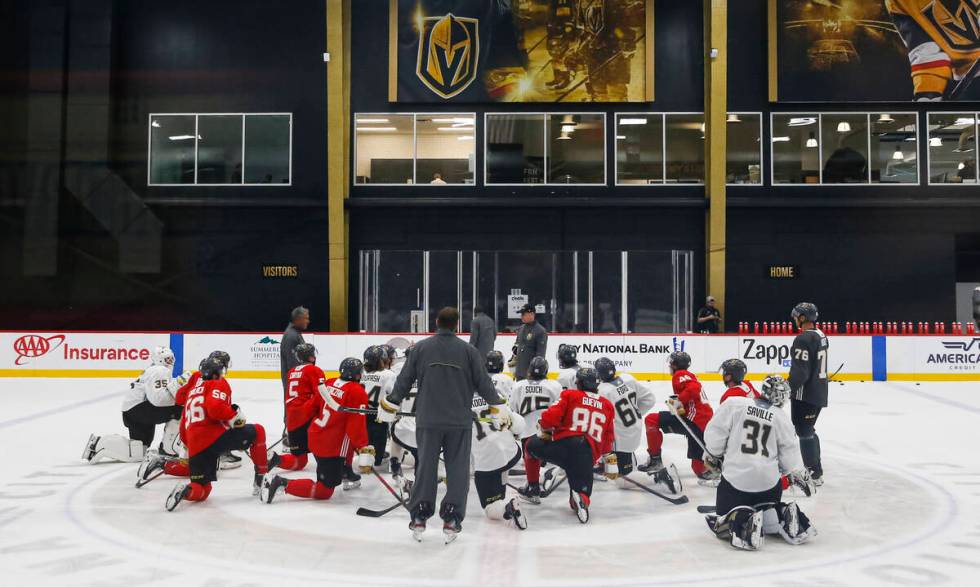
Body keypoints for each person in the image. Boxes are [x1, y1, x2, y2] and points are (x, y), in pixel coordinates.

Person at [377, 307, 508, 543]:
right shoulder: (469, 352)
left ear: (437, 322)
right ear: (457, 325)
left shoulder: (421, 349)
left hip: (428, 420)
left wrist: (391, 403)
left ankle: (419, 515)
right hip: (459, 421)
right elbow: (484, 384)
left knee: (425, 467)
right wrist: (499, 406)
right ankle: (452, 518)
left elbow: (404, 380)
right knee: (458, 471)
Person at [703, 375, 817, 550]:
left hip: (736, 484)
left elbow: (714, 436)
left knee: (722, 519)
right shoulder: (782, 418)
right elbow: (790, 460)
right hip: (770, 487)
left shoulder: (734, 404)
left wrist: (714, 455)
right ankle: (782, 513)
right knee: (767, 508)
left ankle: (741, 518)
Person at [261, 358, 376, 504]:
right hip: (331, 446)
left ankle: (345, 472)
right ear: (358, 375)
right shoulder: (357, 392)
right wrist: (363, 447)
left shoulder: (329, 383)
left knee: (344, 444)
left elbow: (311, 407)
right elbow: (356, 425)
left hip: (315, 436)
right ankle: (280, 483)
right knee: (324, 491)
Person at [163, 357, 269, 511]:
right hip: (214, 438)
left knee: (202, 490)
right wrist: (233, 415)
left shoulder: (192, 392)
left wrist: (188, 448)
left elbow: (184, 422)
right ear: (215, 373)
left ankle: (186, 491)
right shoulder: (218, 383)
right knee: (258, 431)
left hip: (194, 444)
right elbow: (215, 408)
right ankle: (262, 479)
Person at [526, 367, 615, 524]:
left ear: (579, 383)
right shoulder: (607, 405)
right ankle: (580, 499)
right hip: (587, 455)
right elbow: (608, 440)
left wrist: (544, 426)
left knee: (529, 446)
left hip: (564, 447)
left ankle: (532, 487)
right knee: (582, 495)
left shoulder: (570, 394)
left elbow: (549, 419)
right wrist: (604, 461)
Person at [82, 346, 189, 464]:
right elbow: (158, 400)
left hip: (132, 412)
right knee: (182, 409)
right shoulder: (159, 370)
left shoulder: (153, 370)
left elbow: (158, 397)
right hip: (138, 411)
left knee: (137, 451)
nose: (170, 362)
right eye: (166, 359)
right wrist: (178, 387)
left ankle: (99, 443)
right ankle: (168, 449)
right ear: (158, 359)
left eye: (171, 358)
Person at [640, 351, 715, 485]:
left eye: (671, 363)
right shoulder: (689, 375)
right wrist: (679, 406)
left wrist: (678, 401)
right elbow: (691, 399)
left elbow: (694, 389)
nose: (670, 365)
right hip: (701, 421)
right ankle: (717, 469)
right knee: (698, 469)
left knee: (651, 420)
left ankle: (655, 459)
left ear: (675, 365)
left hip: (695, 422)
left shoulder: (680, 374)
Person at [593, 357, 666, 491]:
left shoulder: (603, 391)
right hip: (634, 430)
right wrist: (636, 414)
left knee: (619, 480)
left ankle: (658, 477)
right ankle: (616, 462)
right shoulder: (628, 379)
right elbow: (650, 399)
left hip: (621, 441)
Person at [471, 377, 528, 530]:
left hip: (486, 460)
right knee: (501, 467)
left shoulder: (459, 402)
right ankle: (502, 496)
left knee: (490, 509)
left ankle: (508, 507)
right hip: (510, 451)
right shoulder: (495, 397)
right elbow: (518, 425)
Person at [509, 356, 562, 503]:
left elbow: (512, 409)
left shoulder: (518, 385)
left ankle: (533, 485)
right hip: (547, 430)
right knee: (543, 457)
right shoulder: (554, 385)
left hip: (525, 430)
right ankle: (548, 472)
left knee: (530, 457)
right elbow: (560, 409)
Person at [788, 302, 829, 485]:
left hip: (805, 395)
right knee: (809, 430)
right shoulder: (821, 335)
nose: (795, 319)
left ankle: (814, 474)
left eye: (797, 316)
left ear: (803, 318)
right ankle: (816, 470)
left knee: (804, 431)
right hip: (819, 392)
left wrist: (788, 388)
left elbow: (801, 373)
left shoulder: (802, 339)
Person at [269, 343, 323, 472]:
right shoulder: (314, 370)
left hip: (292, 419)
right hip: (307, 416)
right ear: (311, 357)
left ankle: (275, 459)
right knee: (324, 450)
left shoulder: (291, 372)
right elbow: (321, 395)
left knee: (299, 462)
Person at [360, 345, 396, 467]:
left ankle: (367, 454)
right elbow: (393, 394)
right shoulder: (388, 374)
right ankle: (371, 458)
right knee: (377, 460)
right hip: (379, 416)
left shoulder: (362, 375)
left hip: (363, 414)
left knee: (366, 438)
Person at [511, 303, 548, 380]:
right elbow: (517, 346)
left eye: (523, 314)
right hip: (519, 372)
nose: (521, 316)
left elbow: (540, 356)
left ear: (531, 314)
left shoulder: (540, 331)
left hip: (531, 375)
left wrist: (535, 374)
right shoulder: (521, 328)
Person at [281, 306, 310, 394]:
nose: (308, 321)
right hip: (294, 382)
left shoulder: (295, 333)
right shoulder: (291, 336)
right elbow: (292, 364)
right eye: (306, 318)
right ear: (298, 319)